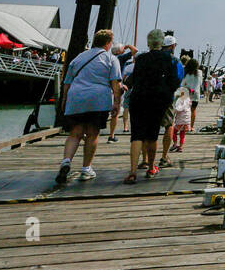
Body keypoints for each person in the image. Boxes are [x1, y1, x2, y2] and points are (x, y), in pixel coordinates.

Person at [55, 29, 122, 184]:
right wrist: (116, 102)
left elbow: (67, 82)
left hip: (76, 97)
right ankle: (86, 169)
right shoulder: (111, 58)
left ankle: (66, 161)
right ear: (108, 43)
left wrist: (64, 99)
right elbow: (115, 83)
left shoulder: (79, 57)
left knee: (75, 133)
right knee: (92, 134)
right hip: (98, 98)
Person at [124, 29, 181, 182]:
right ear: (162, 43)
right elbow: (175, 82)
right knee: (152, 135)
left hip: (138, 99)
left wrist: (123, 87)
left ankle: (132, 171)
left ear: (149, 43)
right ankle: (151, 168)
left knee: (136, 136)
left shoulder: (141, 58)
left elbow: (133, 79)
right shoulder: (169, 59)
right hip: (158, 101)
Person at [157, 34, 184, 168]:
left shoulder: (151, 58)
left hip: (150, 96)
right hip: (167, 96)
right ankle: (163, 156)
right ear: (173, 46)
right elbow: (179, 80)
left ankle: (145, 160)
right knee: (169, 125)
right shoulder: (176, 61)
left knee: (150, 127)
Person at [107, 44, 137, 142]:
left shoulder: (107, 58)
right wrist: (127, 46)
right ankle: (111, 135)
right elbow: (135, 50)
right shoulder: (121, 58)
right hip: (116, 87)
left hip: (106, 87)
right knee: (115, 112)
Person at [180, 57, 202, 128]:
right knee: (193, 110)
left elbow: (182, 83)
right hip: (195, 93)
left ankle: (184, 126)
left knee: (184, 111)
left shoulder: (185, 72)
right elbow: (200, 83)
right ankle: (191, 127)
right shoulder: (199, 72)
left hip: (185, 93)